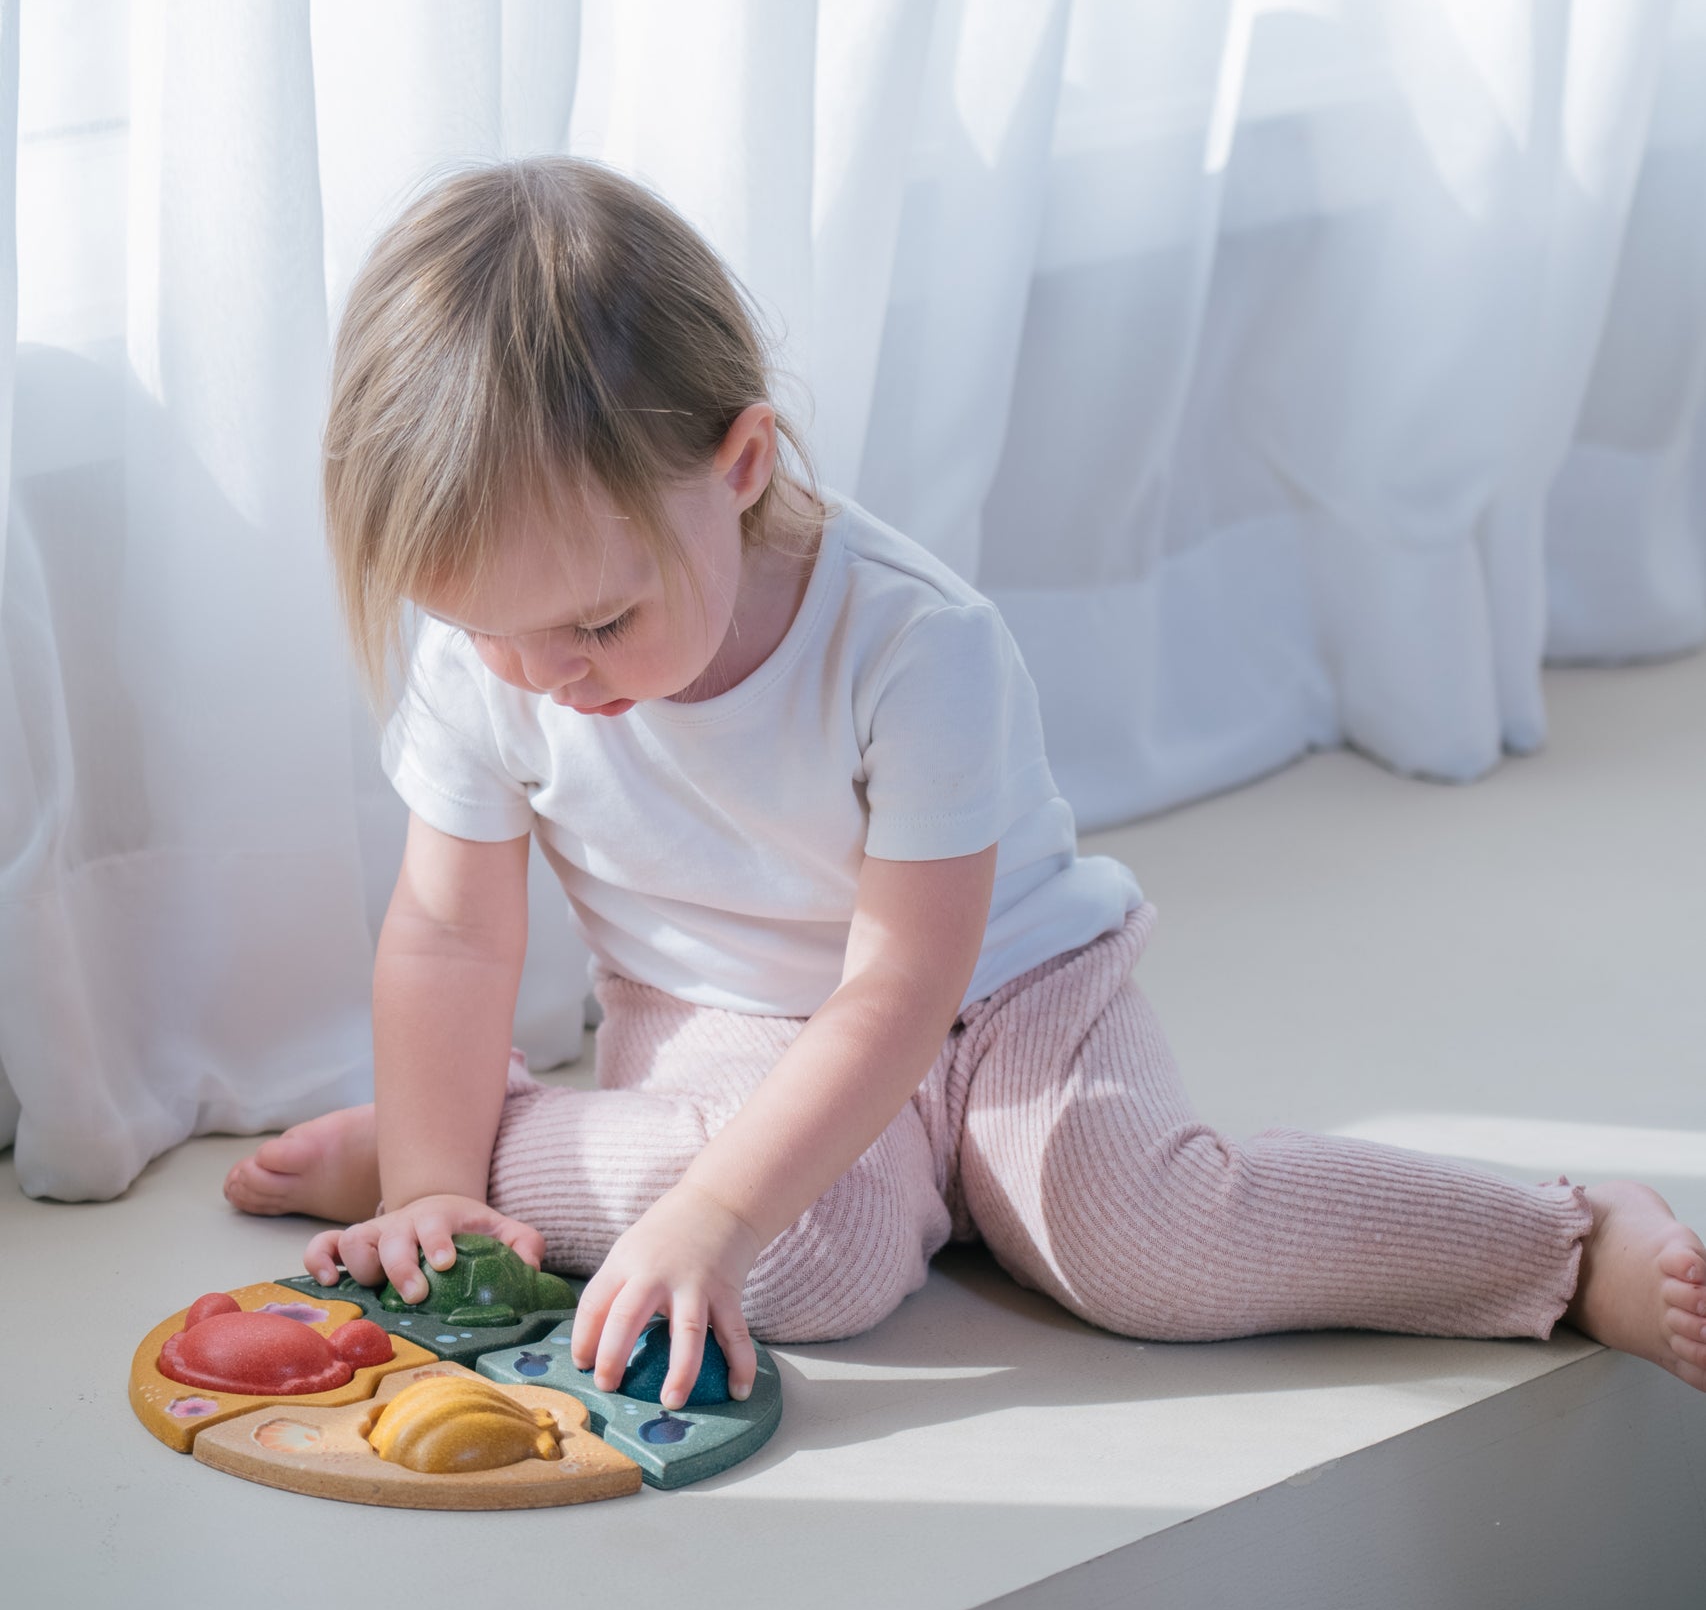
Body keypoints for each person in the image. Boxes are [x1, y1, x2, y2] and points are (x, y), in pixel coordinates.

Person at [225, 156, 1706, 1417]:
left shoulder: (913, 647)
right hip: (729, 1022)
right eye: (490, 629)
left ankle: (1561, 1246)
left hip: (1002, 996)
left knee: (1141, 1241)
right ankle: (452, 1152)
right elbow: (449, 936)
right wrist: (434, 1181)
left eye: (600, 623)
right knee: (812, 1270)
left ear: (739, 465)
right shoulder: (497, 659)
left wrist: (709, 1206)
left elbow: (900, 994)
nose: (548, 675)